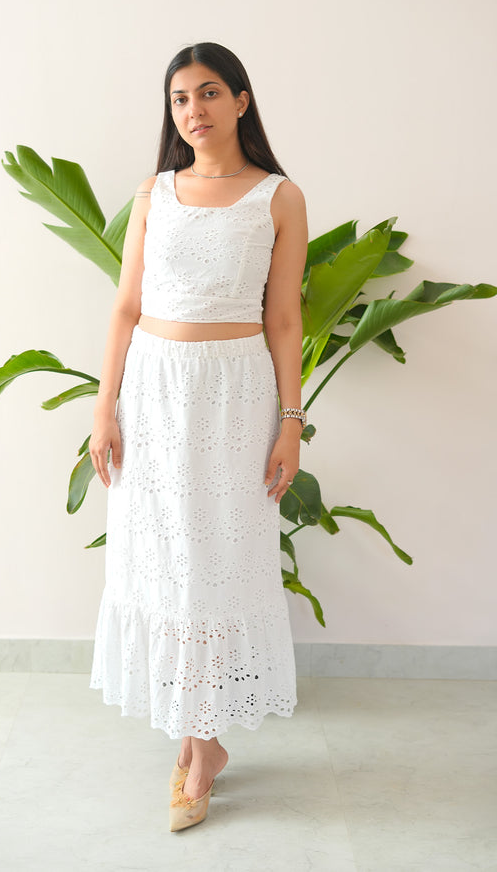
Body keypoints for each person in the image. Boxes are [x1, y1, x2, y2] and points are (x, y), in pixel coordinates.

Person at [88, 41, 308, 832]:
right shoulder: (157, 192)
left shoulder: (278, 197)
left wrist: (291, 424)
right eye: (181, 99)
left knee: (216, 562)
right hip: (154, 393)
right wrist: (104, 406)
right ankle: (199, 742)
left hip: (234, 396)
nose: (194, 111)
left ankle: (201, 744)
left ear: (242, 101)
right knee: (166, 560)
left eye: (210, 93)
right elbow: (124, 307)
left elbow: (284, 319)